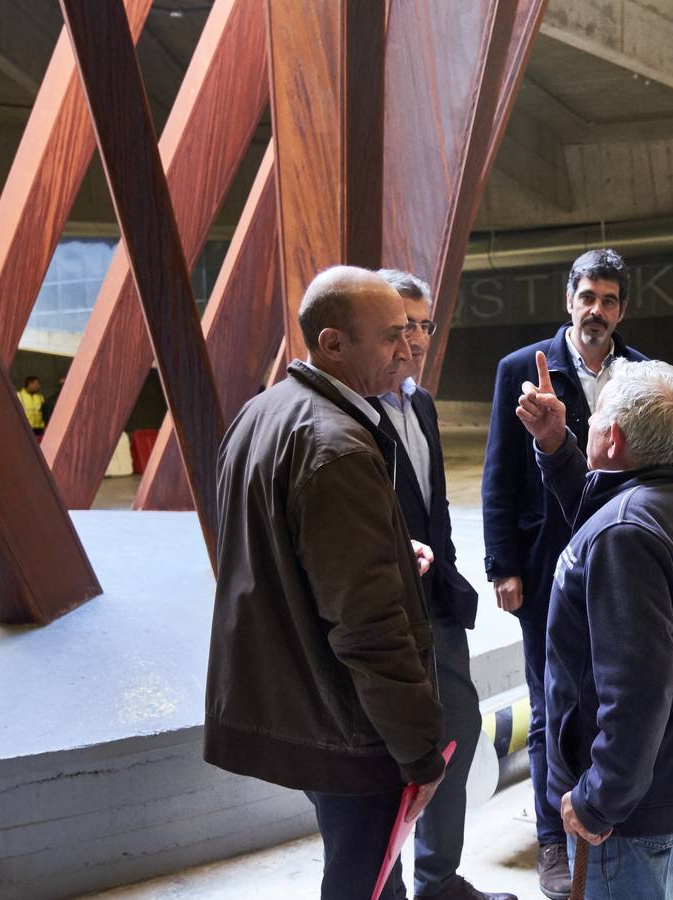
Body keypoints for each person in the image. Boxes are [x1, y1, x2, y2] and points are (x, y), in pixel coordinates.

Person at [205, 266, 447, 900]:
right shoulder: (336, 447)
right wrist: (419, 752)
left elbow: (284, 554)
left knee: (369, 872)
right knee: (360, 879)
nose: (408, 347)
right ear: (333, 343)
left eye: (410, 330)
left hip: (304, 699)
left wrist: (393, 551)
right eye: (392, 334)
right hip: (350, 721)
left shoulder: (264, 413)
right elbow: (368, 628)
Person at [516, 354, 673, 900]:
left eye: (596, 418)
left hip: (627, 812)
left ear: (612, 437)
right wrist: (557, 447)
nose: (589, 425)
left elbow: (636, 692)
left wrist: (596, 799)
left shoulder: (626, 536)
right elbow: (606, 512)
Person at [479, 249, 646, 899]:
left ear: (621, 309)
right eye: (587, 297)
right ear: (568, 301)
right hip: (546, 564)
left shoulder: (643, 373)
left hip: (621, 565)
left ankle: (602, 818)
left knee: (612, 696)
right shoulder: (522, 369)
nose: (596, 310)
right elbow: (499, 472)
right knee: (551, 704)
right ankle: (553, 836)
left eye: (608, 300)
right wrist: (503, 564)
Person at [369, 271, 511, 900]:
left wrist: (449, 581)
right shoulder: (355, 408)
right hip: (381, 612)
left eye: (425, 324)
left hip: (437, 607)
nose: (418, 338)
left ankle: (439, 880)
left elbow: (435, 508)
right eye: (404, 324)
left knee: (455, 737)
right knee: (388, 760)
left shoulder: (418, 402)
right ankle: (388, 885)